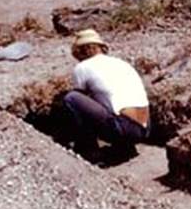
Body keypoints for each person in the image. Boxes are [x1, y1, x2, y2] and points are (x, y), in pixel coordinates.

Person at [62, 29, 150, 163]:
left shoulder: (82, 67)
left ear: (84, 49)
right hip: (145, 128)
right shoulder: (121, 63)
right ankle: (125, 147)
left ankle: (88, 151)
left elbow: (80, 98)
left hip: (122, 128)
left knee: (72, 98)